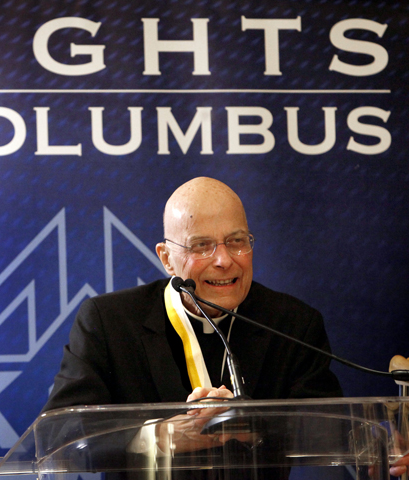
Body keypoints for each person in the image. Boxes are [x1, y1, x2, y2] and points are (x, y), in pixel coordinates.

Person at [42, 177, 408, 476]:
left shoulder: (292, 322)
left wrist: (380, 448)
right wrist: (162, 435)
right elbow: (60, 436)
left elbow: (327, 429)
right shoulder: (108, 322)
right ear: (167, 258)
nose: (224, 260)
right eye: (202, 246)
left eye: (237, 241)